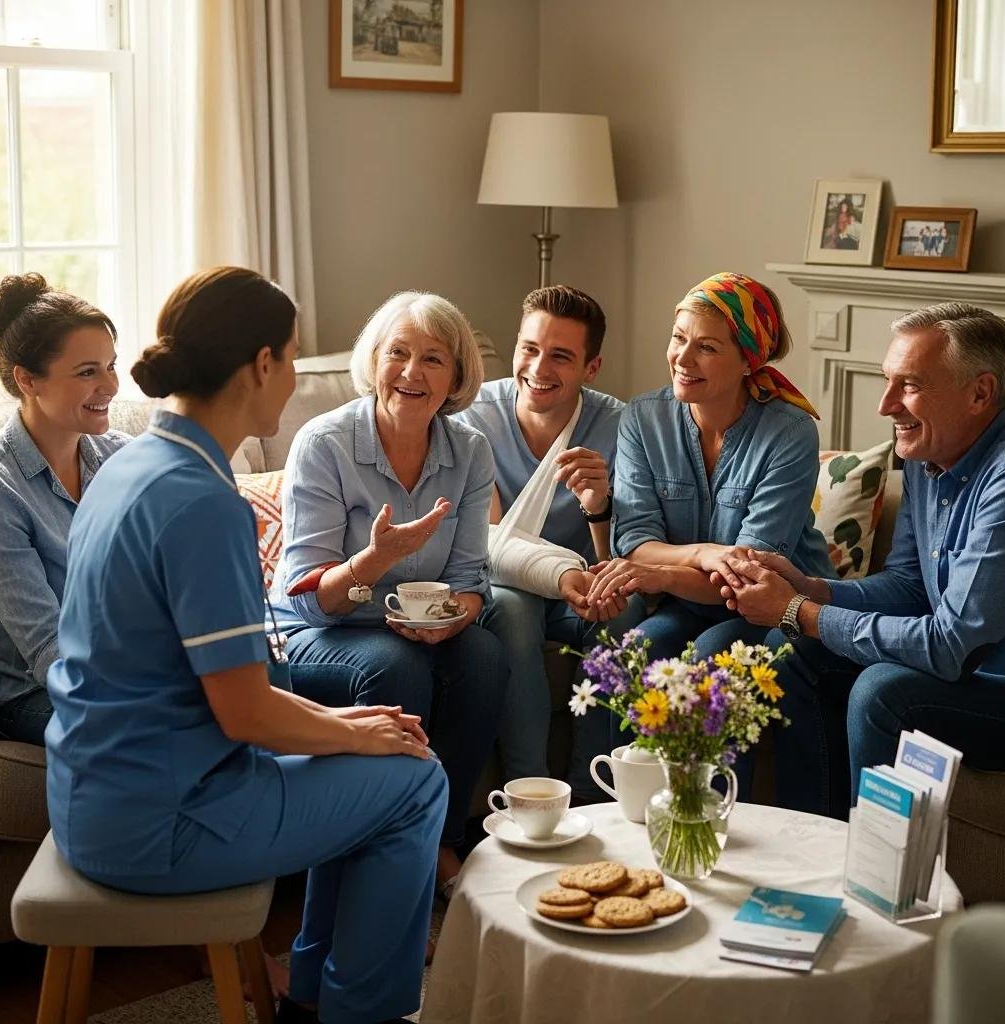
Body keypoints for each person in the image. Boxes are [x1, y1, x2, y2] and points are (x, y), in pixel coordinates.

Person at [45, 267, 447, 1024]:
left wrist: (347, 732)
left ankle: (315, 989)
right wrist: (353, 738)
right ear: (261, 363)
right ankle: (361, 1011)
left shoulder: (127, 463)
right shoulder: (200, 501)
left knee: (364, 748)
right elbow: (244, 714)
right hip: (159, 820)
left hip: (92, 795)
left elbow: (219, 687)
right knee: (416, 782)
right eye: (292, 357)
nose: (294, 376)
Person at [715, 302, 1005, 821]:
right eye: (886, 381)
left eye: (911, 385)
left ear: (981, 393)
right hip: (966, 668)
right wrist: (813, 589)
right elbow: (909, 585)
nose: (885, 406)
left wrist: (800, 612)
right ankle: (810, 839)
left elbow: (949, 646)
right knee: (789, 652)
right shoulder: (928, 452)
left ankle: (872, 880)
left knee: (881, 692)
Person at [269, 291, 506, 901]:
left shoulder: (469, 450)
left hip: (420, 630)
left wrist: (457, 620)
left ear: (455, 377)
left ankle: (441, 843)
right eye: (397, 353)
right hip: (323, 633)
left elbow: (471, 578)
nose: (410, 372)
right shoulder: (324, 443)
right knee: (395, 665)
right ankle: (386, 861)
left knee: (483, 656)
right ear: (373, 362)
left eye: (432, 359)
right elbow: (307, 601)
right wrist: (378, 559)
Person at [586, 271, 832, 667]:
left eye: (707, 347)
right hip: (688, 605)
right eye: (678, 337)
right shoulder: (643, 419)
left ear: (747, 361)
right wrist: (704, 553)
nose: (682, 359)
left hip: (774, 609)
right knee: (628, 656)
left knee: (705, 662)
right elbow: (634, 541)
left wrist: (664, 574)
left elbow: (751, 575)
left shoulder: (791, 433)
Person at [454, 285, 642, 797]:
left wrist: (599, 506)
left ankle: (593, 794)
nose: (538, 367)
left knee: (624, 606)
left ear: (592, 367)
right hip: (507, 583)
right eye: (529, 348)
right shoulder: (476, 421)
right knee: (513, 609)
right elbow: (488, 545)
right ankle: (530, 797)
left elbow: (618, 559)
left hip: (583, 590)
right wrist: (563, 576)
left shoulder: (621, 427)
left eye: (561, 356)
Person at [0, 273, 128, 745]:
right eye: (88, 372)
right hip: (35, 691)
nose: (111, 385)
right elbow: (48, 647)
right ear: (27, 379)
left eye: (111, 365)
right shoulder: (1, 490)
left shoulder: (123, 458)